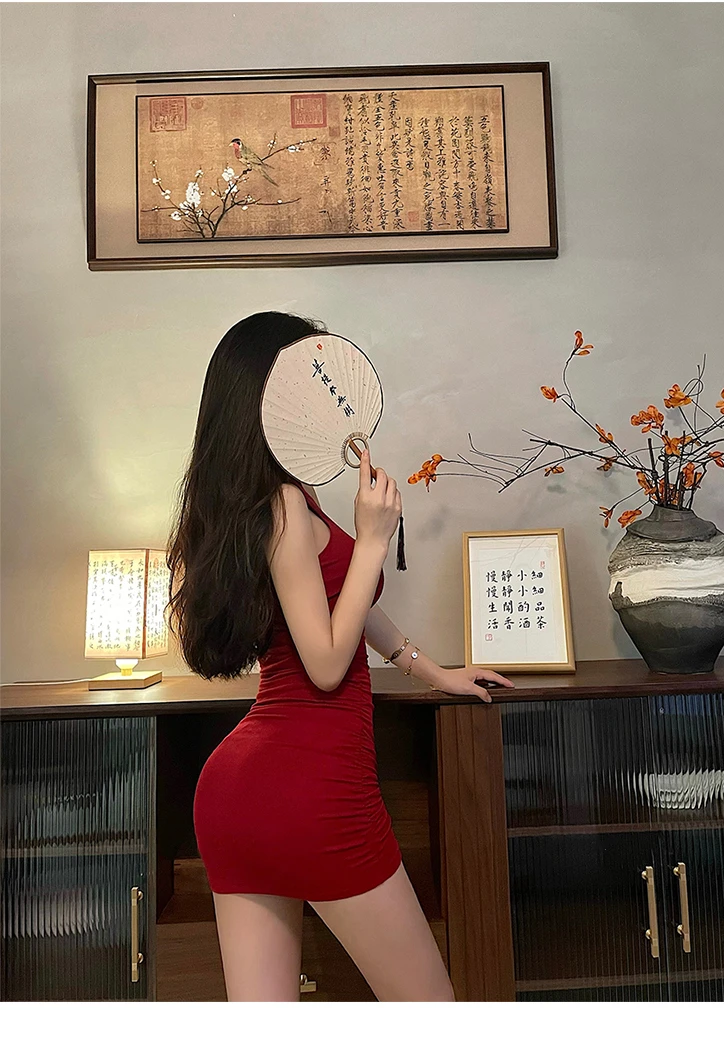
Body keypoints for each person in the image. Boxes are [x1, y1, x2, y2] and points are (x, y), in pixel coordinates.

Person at [167, 311, 513, 1002]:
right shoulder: (285, 506)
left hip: (238, 796)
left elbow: (342, 607)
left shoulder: (268, 501)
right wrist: (374, 539)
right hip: (316, 788)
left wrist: (432, 670)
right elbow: (326, 664)